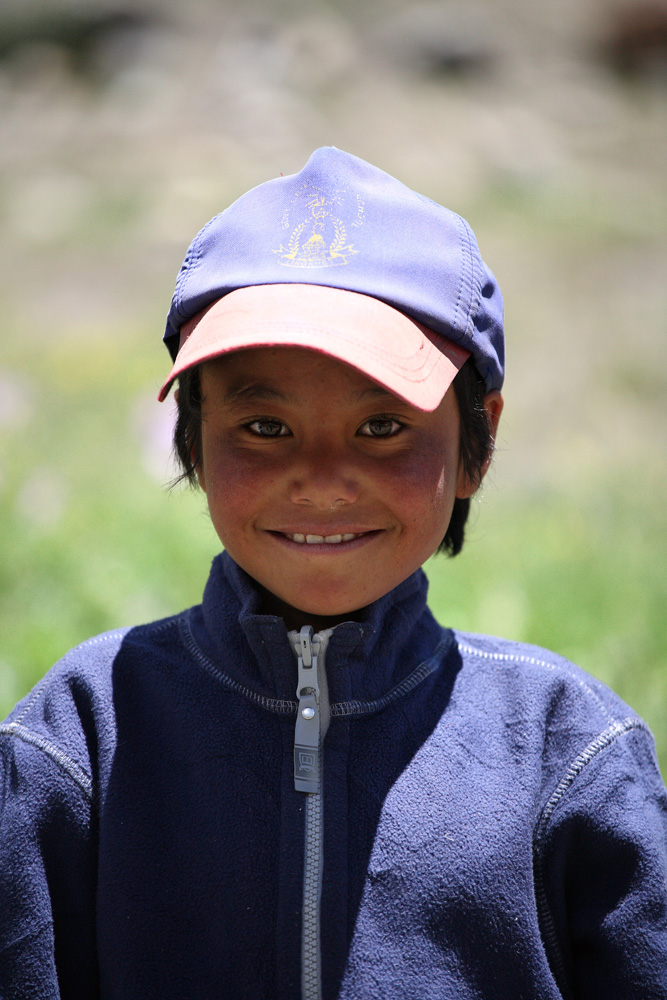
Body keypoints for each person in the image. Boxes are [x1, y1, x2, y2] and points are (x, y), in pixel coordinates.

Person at [1, 147, 665, 1000]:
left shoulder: (566, 752)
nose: (319, 475)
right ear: (193, 433)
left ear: (479, 439)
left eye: (382, 424)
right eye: (265, 427)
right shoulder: (81, 736)